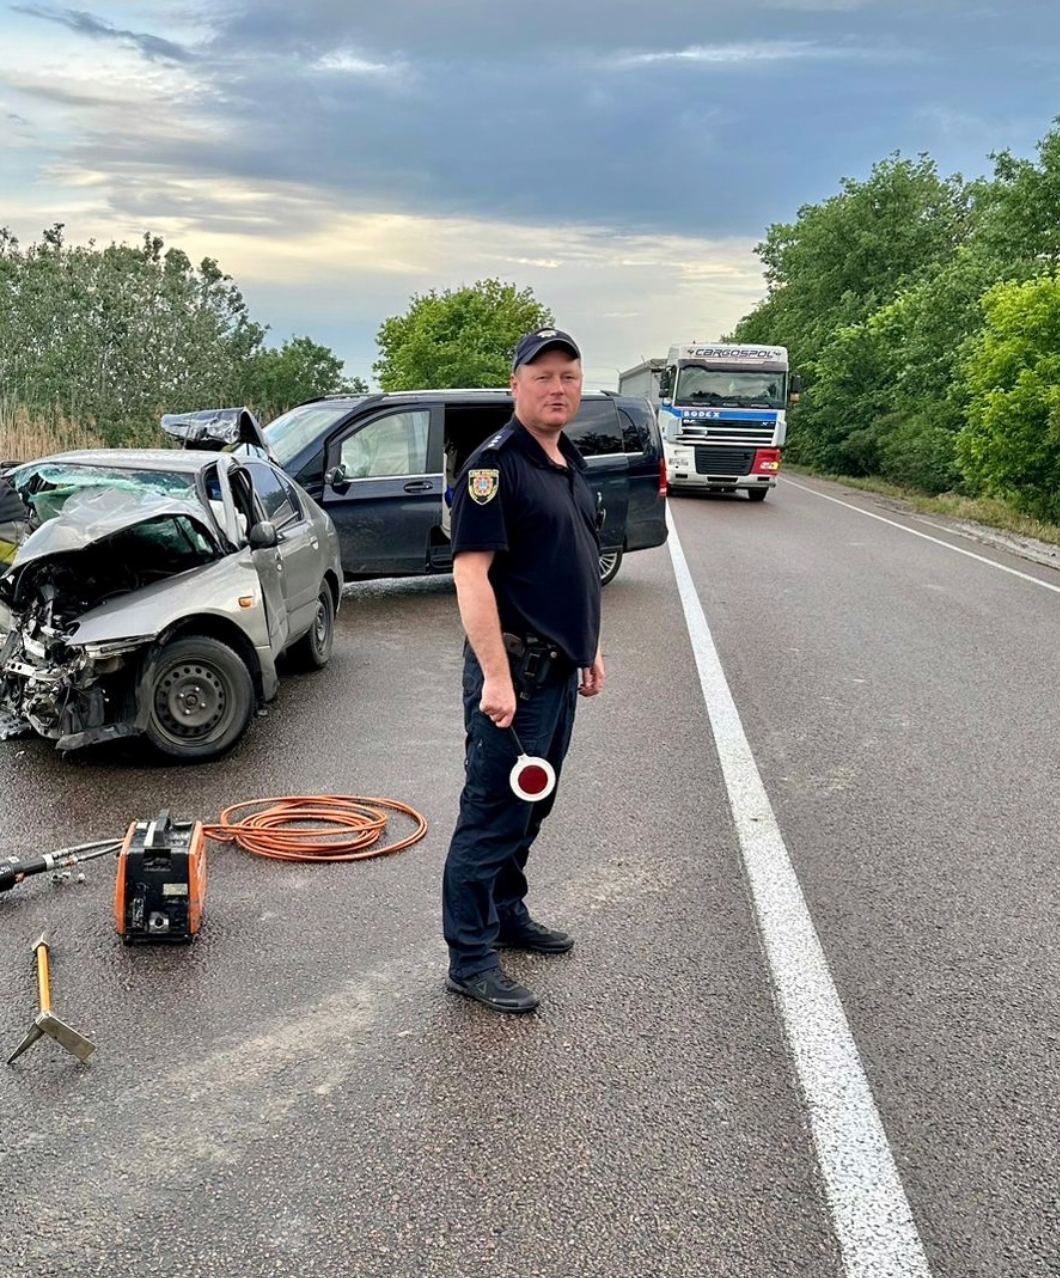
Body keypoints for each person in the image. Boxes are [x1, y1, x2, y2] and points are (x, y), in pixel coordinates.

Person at [442, 328, 605, 1014]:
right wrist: (498, 677)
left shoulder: (566, 457)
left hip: (559, 672)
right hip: (517, 680)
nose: (558, 387)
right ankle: (470, 959)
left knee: (531, 807)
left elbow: (570, 563)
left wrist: (588, 647)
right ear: (515, 386)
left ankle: (507, 914)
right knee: (491, 816)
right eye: (543, 376)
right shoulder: (495, 465)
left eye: (569, 375)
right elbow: (470, 575)